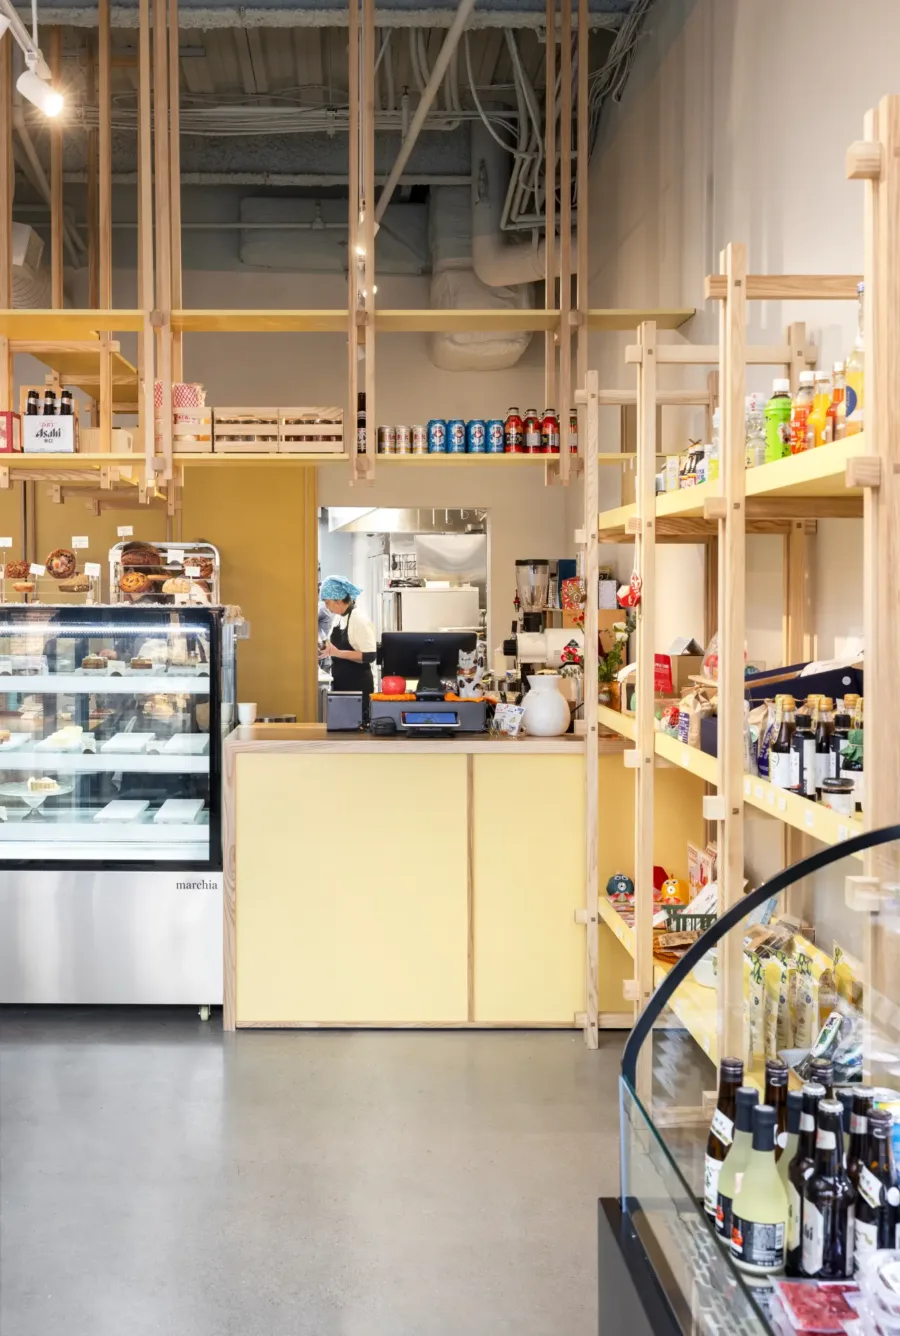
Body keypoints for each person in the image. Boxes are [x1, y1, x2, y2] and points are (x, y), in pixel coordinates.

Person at [318, 576, 376, 695]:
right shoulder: (339, 618)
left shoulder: (359, 619)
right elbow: (333, 645)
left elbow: (370, 655)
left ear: (338, 601)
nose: (327, 608)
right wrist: (324, 648)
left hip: (357, 686)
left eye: (327, 603)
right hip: (341, 682)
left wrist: (337, 653)